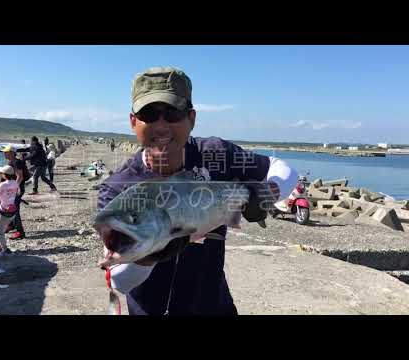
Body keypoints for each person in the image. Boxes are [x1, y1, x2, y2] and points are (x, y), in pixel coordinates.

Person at [97, 67, 299, 315]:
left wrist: (267, 193)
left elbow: (283, 168)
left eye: (172, 113)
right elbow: (119, 281)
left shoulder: (216, 155)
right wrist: (148, 257)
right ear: (133, 121)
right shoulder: (117, 190)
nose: (161, 126)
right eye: (149, 114)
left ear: (191, 118)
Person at [1, 144, 28, 240]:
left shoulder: (16, 162)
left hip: (17, 189)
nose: (4, 154)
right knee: (10, 207)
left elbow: (20, 176)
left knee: (14, 210)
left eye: (6, 152)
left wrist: (13, 189)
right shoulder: (12, 161)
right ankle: (11, 225)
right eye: (4, 152)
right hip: (16, 189)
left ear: (12, 153)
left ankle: (20, 232)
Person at [0, 165, 20, 256]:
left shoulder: (3, 184)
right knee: (2, 229)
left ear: (5, 175)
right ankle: (1, 246)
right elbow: (18, 193)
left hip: (4, 211)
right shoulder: (15, 183)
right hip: (12, 211)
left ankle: (5, 249)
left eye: (2, 173)